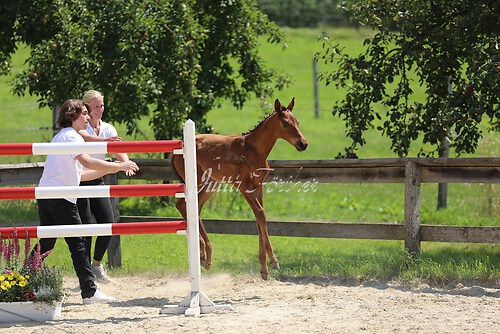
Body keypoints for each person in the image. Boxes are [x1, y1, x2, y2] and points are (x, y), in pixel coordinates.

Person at [35, 99, 139, 304]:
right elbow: (87, 161)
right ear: (72, 116)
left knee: (47, 241)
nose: (88, 117)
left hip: (48, 195)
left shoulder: (62, 136)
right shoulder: (73, 137)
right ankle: (89, 291)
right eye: (84, 113)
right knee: (78, 244)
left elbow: (81, 174)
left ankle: (23, 277)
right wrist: (118, 166)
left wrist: (112, 165)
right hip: (61, 198)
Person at [76, 89, 135, 283]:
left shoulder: (108, 128)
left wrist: (126, 163)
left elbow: (118, 149)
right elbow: (86, 138)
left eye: (101, 105)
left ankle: (96, 265)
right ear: (86, 108)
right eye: (95, 106)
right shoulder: (80, 127)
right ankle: (85, 273)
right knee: (85, 228)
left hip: (97, 178)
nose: (99, 109)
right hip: (80, 180)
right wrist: (105, 143)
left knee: (107, 223)